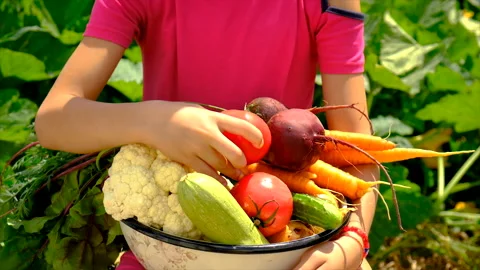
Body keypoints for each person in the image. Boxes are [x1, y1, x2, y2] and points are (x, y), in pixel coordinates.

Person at [34, 0, 378, 269]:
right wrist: (155, 121)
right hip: (170, 245)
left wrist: (352, 240)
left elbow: (357, 150)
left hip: (285, 238)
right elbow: (53, 120)